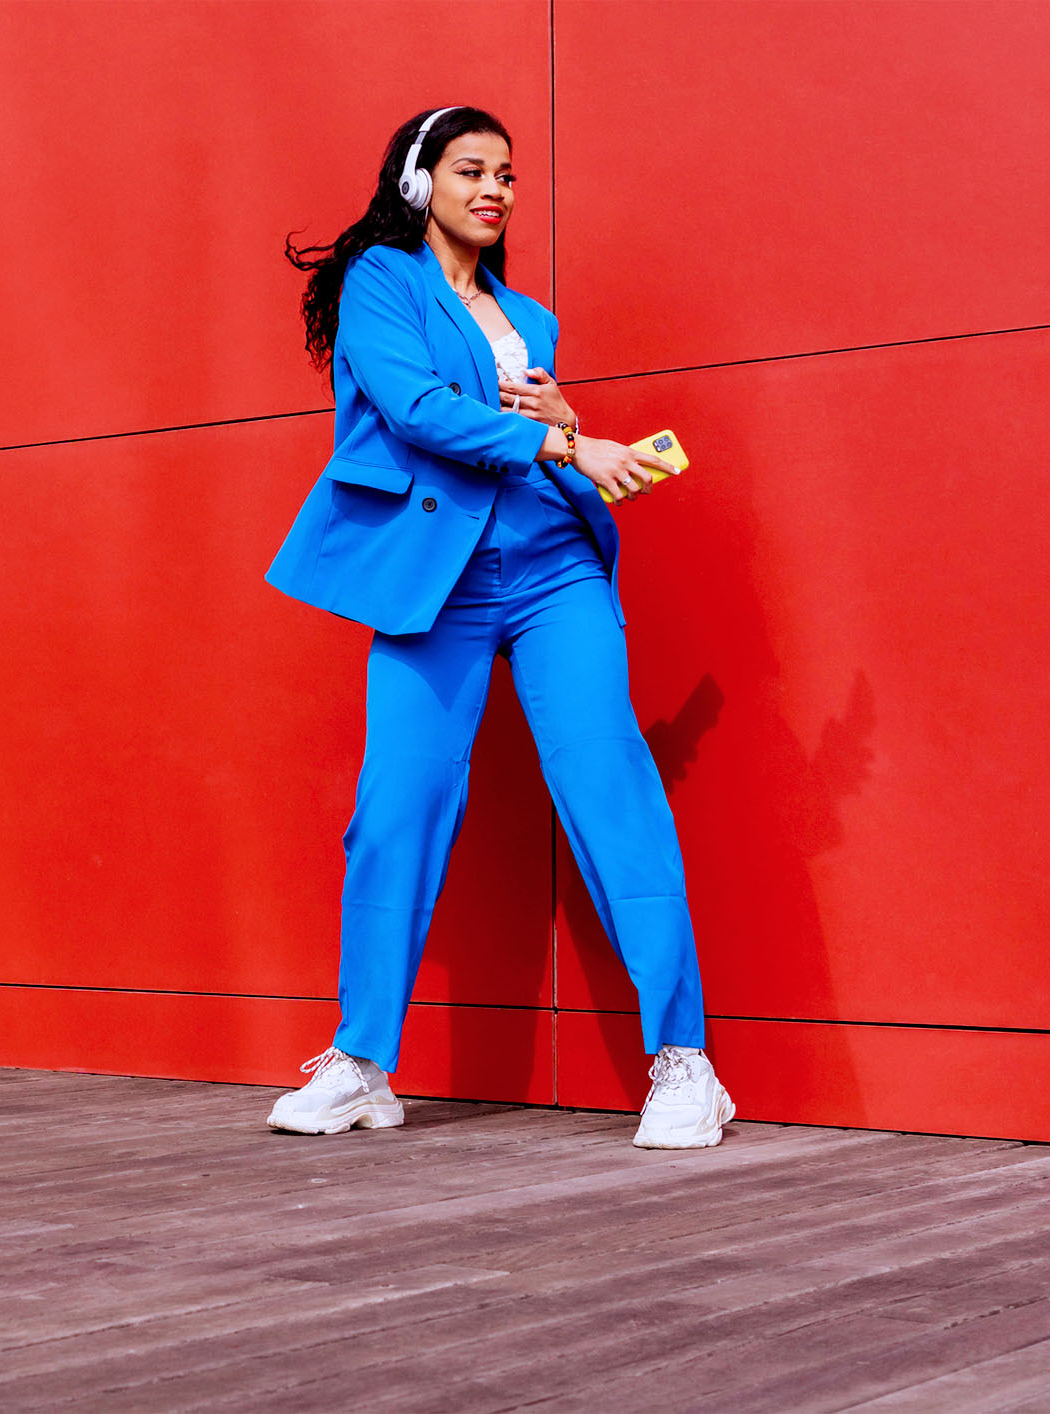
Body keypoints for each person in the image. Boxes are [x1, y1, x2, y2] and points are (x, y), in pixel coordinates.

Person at [263, 105, 734, 1149]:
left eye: (508, 176)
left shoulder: (531, 314)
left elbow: (522, 424)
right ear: (419, 181)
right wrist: (574, 449)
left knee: (607, 786)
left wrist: (562, 419)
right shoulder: (378, 284)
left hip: (552, 568)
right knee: (398, 806)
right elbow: (418, 408)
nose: (494, 189)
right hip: (437, 580)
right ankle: (359, 1062)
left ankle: (684, 1063)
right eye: (470, 169)